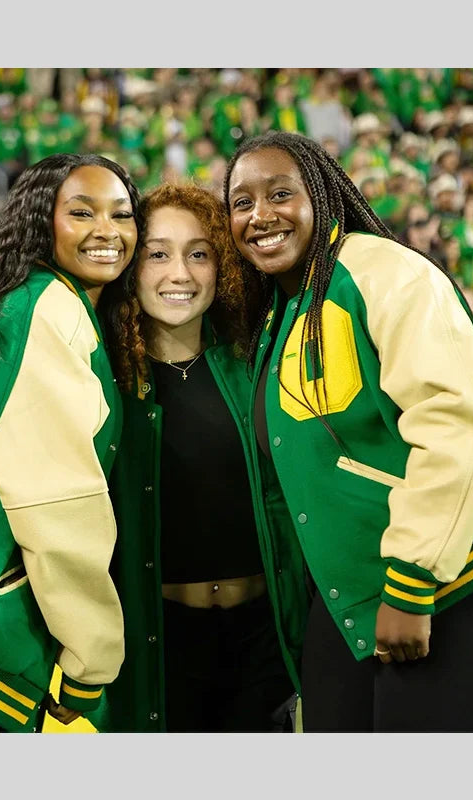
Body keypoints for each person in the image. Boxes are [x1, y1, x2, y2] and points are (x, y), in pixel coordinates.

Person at [224, 131, 473, 733]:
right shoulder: (281, 308)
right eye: (241, 202)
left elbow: (458, 423)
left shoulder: (382, 271)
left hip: (447, 589)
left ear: (324, 194)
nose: (260, 215)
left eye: (281, 193)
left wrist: (411, 582)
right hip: (351, 603)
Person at [0, 152, 140, 732]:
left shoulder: (44, 302)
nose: (107, 231)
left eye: (122, 214)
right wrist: (91, 662)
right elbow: (57, 503)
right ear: (44, 221)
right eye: (82, 212)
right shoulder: (49, 308)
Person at [89, 182, 307, 733]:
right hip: (159, 643)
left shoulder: (259, 364)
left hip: (265, 642)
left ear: (223, 266)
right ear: (130, 267)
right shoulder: (103, 381)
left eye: (199, 253)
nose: (179, 274)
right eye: (157, 253)